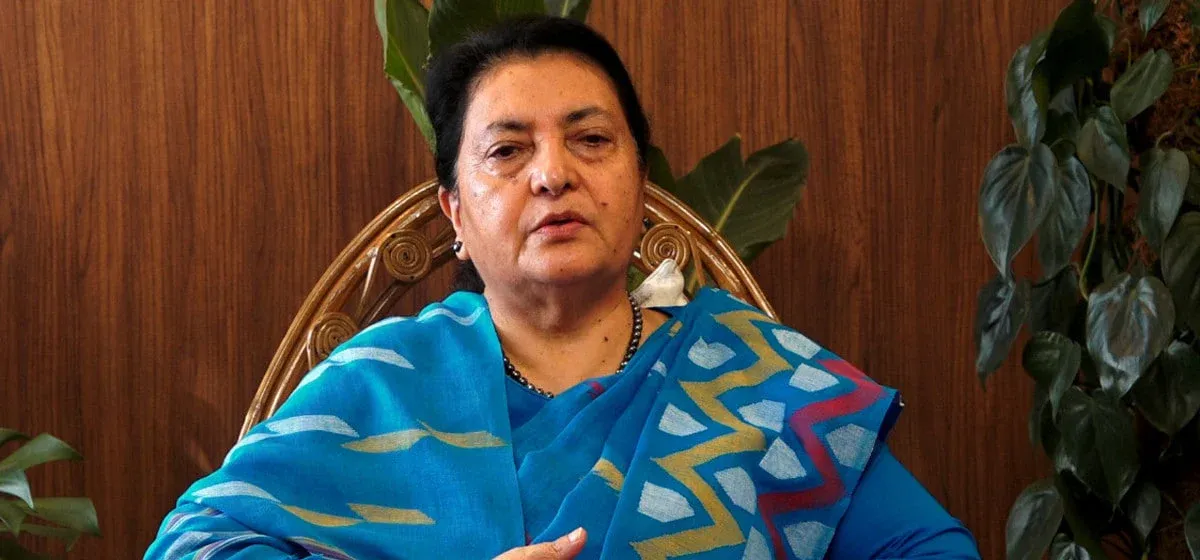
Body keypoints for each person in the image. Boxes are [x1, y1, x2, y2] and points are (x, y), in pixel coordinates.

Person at [145, 15, 980, 560]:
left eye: (591, 139)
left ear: (640, 187)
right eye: (507, 151)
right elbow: (194, 546)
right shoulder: (378, 386)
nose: (553, 174)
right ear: (455, 214)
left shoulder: (759, 384)